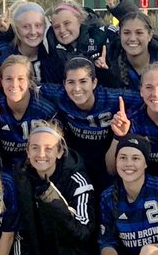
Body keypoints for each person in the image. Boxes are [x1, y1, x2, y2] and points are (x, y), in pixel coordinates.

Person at [12, 121, 97, 255]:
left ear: (60, 152)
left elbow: (84, 231)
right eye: (35, 148)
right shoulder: (24, 177)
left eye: (49, 148)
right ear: (27, 151)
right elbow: (22, 229)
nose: (41, 154)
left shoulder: (77, 180)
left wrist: (53, 199)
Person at [40, 57, 143, 190]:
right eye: (71, 82)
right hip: (77, 163)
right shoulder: (59, 95)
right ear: (64, 84)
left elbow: (146, 96)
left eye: (83, 81)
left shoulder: (112, 98)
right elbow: (28, 88)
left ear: (94, 83)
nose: (77, 88)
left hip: (108, 163)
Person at [0, 55, 57, 169]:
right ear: (1, 81)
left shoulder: (45, 110)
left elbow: (56, 150)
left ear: (30, 81)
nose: (14, 85)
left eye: (20, 79)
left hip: (37, 168)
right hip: (2, 170)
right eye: (8, 79)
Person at [101, 11, 158, 104]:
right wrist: (102, 72)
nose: (132, 38)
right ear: (120, 35)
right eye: (126, 33)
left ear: (150, 35)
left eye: (139, 33)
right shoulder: (109, 62)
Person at [0, 1, 53, 84]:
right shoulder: (2, 55)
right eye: (26, 27)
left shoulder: (51, 56)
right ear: (15, 28)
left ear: (45, 26)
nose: (33, 32)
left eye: (38, 25)